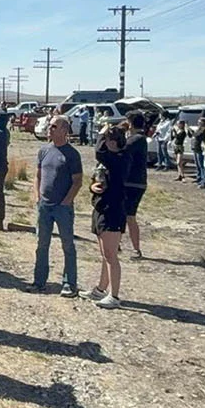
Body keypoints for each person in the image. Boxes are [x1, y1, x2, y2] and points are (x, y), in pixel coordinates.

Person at [26, 116, 83, 296]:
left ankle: (69, 284)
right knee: (42, 244)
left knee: (67, 245)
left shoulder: (72, 154)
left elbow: (77, 181)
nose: (49, 129)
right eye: (49, 126)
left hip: (62, 208)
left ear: (64, 130)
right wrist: (37, 196)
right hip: (44, 206)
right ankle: (39, 282)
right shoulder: (44, 151)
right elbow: (38, 176)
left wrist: (66, 201)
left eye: (53, 126)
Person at [86, 126, 129, 308]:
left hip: (113, 211)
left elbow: (99, 152)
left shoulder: (120, 158)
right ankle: (101, 289)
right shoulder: (106, 161)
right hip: (101, 207)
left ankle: (115, 296)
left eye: (107, 140)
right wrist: (92, 187)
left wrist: (100, 134)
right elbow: (96, 179)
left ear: (114, 142)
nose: (105, 143)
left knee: (111, 255)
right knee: (105, 254)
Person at [120, 112, 148, 259]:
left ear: (130, 123)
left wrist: (118, 131)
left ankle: (136, 249)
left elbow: (121, 150)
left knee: (129, 216)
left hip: (132, 183)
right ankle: (118, 243)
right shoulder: (138, 138)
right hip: (135, 182)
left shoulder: (136, 139)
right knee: (124, 215)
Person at [192, 118, 205, 188]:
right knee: (198, 165)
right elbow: (193, 135)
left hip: (201, 149)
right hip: (196, 148)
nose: (198, 124)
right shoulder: (199, 129)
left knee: (203, 166)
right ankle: (199, 179)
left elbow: (198, 136)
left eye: (200, 122)